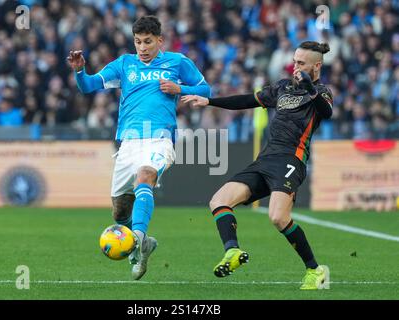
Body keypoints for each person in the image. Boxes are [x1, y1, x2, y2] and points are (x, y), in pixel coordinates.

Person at [67, 15, 211, 280]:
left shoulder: (178, 62)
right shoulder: (124, 64)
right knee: (120, 211)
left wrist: (180, 88)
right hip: (128, 144)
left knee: (145, 176)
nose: (142, 48)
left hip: (159, 139)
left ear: (160, 41)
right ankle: (144, 245)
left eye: (147, 42)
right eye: (137, 42)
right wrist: (79, 71)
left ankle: (138, 238)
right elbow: (88, 86)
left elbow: (207, 89)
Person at [182, 41, 332, 290]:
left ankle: (315, 270)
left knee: (277, 217)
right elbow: (248, 100)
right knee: (219, 200)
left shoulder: (322, 91)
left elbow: (326, 113)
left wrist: (311, 89)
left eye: (301, 63)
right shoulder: (283, 87)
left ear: (316, 66)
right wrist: (209, 101)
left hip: (291, 159)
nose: (295, 66)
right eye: (295, 61)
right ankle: (232, 252)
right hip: (265, 159)